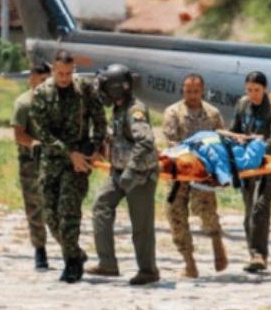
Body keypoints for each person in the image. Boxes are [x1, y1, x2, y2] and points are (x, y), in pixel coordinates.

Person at [30, 49, 107, 283]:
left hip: (78, 164)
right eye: (60, 73)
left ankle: (71, 265)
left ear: (73, 70)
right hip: (52, 160)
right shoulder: (42, 93)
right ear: (53, 70)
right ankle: (76, 253)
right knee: (50, 216)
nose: (64, 78)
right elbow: (43, 133)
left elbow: (100, 118)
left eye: (68, 73)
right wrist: (68, 153)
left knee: (68, 214)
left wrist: (93, 147)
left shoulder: (84, 90)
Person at [87, 64, 161, 286]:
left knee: (141, 226)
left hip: (139, 176)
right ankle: (107, 264)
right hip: (118, 173)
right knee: (101, 206)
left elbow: (146, 142)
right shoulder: (119, 108)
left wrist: (130, 171)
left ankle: (148, 271)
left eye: (106, 87)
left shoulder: (134, 111)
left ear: (119, 88)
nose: (103, 92)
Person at [162, 73, 228, 278]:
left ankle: (217, 245)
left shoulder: (212, 113)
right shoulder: (173, 112)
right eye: (188, 91)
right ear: (183, 90)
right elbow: (172, 141)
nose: (192, 95)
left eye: (196, 91)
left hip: (203, 174)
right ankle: (189, 263)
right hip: (179, 172)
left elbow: (221, 139)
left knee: (207, 211)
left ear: (202, 91)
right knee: (176, 215)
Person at [228, 71, 271, 273]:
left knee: (261, 207)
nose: (253, 94)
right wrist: (236, 142)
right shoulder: (242, 105)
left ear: (265, 89)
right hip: (247, 162)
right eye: (250, 90)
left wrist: (257, 147)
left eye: (257, 90)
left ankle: (260, 254)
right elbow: (235, 129)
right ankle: (254, 254)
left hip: (270, 162)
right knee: (248, 210)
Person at [11, 62, 53, 270]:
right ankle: (40, 249)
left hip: (54, 160)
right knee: (35, 206)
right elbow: (19, 135)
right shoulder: (23, 104)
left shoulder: (57, 101)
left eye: (48, 80)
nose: (45, 84)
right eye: (41, 80)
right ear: (32, 79)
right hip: (31, 162)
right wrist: (36, 144)